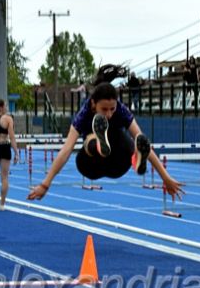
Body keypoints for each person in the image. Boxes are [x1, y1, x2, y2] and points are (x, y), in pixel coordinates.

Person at [27, 81, 183, 201]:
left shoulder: (121, 110)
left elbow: (143, 142)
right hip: (90, 165)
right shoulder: (84, 114)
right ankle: (98, 144)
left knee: (134, 139)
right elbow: (66, 150)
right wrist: (45, 183)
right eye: (104, 109)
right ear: (94, 104)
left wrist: (165, 177)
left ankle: (134, 156)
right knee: (91, 138)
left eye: (112, 109)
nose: (109, 114)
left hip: (117, 165)